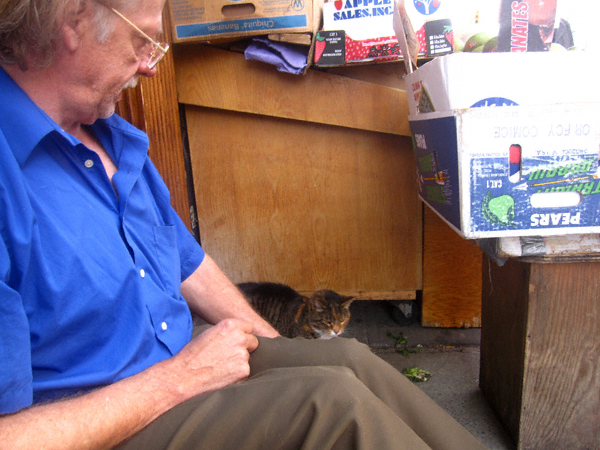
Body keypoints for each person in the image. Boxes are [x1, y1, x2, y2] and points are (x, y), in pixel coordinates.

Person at [0, 0, 487, 449]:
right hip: (104, 423)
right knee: (332, 406)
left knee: (348, 362)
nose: (150, 65)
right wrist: (178, 380)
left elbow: (186, 262)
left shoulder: (110, 138)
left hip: (176, 372)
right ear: (74, 19)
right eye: (141, 41)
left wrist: (278, 353)